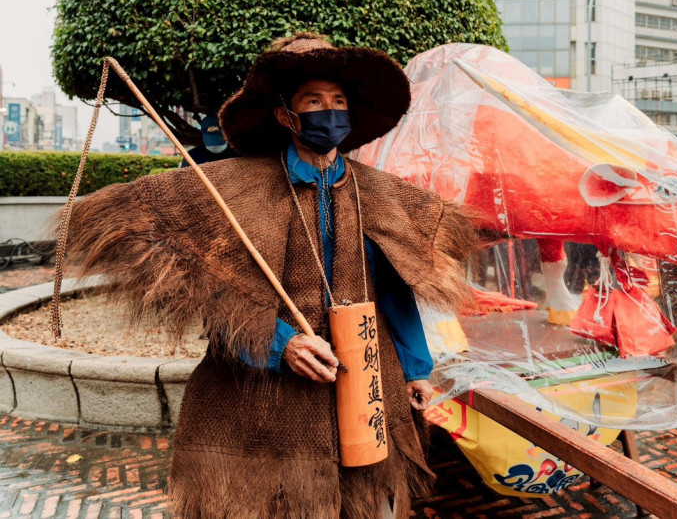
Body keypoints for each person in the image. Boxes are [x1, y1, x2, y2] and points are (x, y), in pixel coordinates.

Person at [65, 33, 479, 518]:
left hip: (368, 377)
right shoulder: (233, 189)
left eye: (338, 101)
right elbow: (208, 289)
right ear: (286, 115)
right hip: (266, 394)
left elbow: (394, 289)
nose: (329, 111)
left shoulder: (381, 193)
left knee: (370, 499)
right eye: (314, 101)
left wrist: (415, 369)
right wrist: (282, 344)